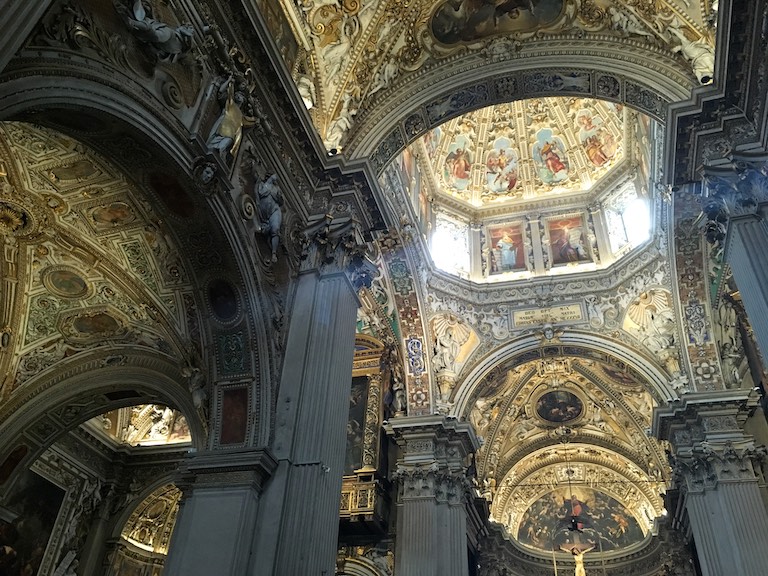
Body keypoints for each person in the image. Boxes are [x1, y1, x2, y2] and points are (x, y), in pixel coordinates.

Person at [117, 0, 194, 62]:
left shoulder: (173, 33)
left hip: (161, 34)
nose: (182, 26)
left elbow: (158, 36)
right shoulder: (178, 48)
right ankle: (134, 23)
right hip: (166, 45)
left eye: (185, 26)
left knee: (149, 27)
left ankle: (132, 22)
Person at [255, 174, 284, 262]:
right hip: (263, 213)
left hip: (274, 210)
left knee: (275, 229)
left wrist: (279, 196)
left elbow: (281, 201)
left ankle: (274, 253)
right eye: (272, 176)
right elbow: (259, 194)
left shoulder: (277, 188)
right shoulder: (262, 184)